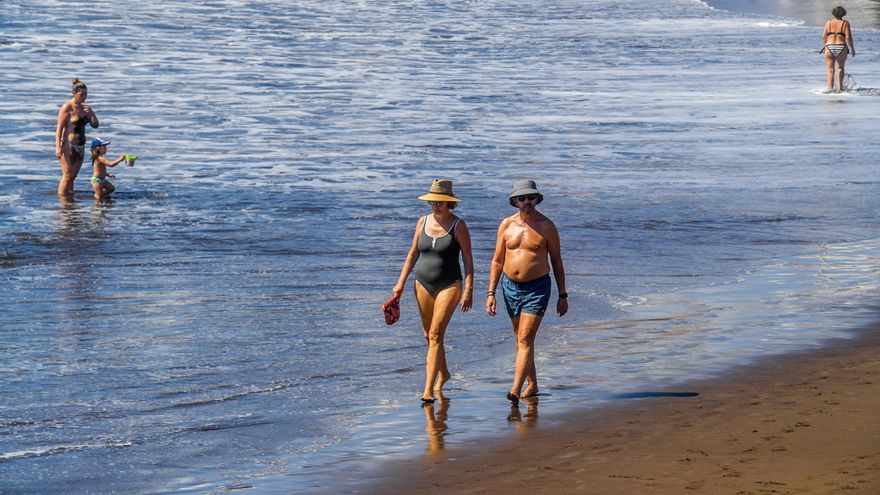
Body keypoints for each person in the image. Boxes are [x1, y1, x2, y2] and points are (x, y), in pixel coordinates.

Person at [486, 179, 568, 405]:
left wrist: (563, 296)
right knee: (521, 340)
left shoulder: (547, 226)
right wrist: (490, 293)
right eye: (522, 198)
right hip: (509, 287)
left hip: (538, 288)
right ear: (515, 201)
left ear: (537, 199)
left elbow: (557, 262)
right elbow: (496, 261)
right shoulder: (506, 225)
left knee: (525, 338)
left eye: (530, 197)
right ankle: (532, 384)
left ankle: (514, 390)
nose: (527, 202)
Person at [393, 179, 474, 403]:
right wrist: (400, 283)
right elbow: (412, 254)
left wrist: (468, 289)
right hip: (422, 283)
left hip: (450, 284)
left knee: (437, 334)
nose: (435, 205)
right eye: (433, 201)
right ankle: (444, 373)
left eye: (440, 202)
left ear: (449, 203)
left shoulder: (459, 226)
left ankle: (428, 389)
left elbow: (468, 259)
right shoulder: (422, 222)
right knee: (428, 335)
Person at [55, 79, 99, 196]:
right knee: (67, 175)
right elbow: (59, 128)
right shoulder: (67, 108)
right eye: (81, 95)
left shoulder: (85, 108)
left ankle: (70, 200)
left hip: (80, 146)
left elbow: (95, 125)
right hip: (68, 146)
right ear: (74, 93)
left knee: (73, 176)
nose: (84, 97)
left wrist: (92, 113)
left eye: (86, 94)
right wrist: (58, 147)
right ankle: (63, 201)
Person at [822, 6, 856, 93]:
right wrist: (852, 49)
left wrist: (824, 46)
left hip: (829, 46)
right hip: (841, 46)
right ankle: (840, 88)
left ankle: (830, 88)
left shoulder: (828, 22)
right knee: (840, 67)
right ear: (843, 13)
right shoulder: (845, 23)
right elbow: (848, 37)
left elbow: (824, 36)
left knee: (830, 68)